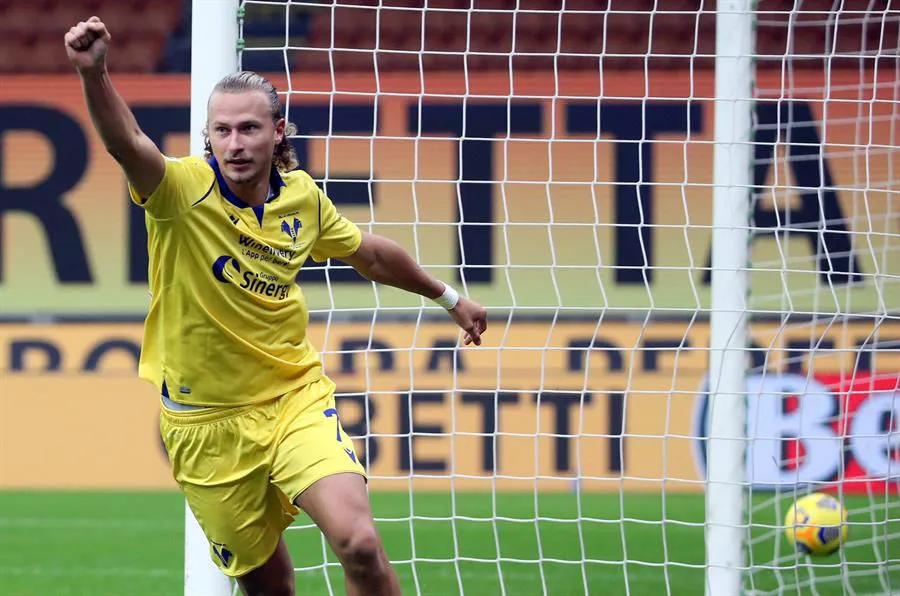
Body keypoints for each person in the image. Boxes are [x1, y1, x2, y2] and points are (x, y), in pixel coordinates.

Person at [65, 16, 488, 596]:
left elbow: (368, 253)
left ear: (278, 131)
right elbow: (127, 143)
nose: (235, 144)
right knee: (272, 587)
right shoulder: (179, 191)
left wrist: (448, 297)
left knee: (360, 544)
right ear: (208, 136)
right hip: (204, 424)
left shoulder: (302, 197)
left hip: (292, 397)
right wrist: (95, 75)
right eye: (222, 131)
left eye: (249, 128)